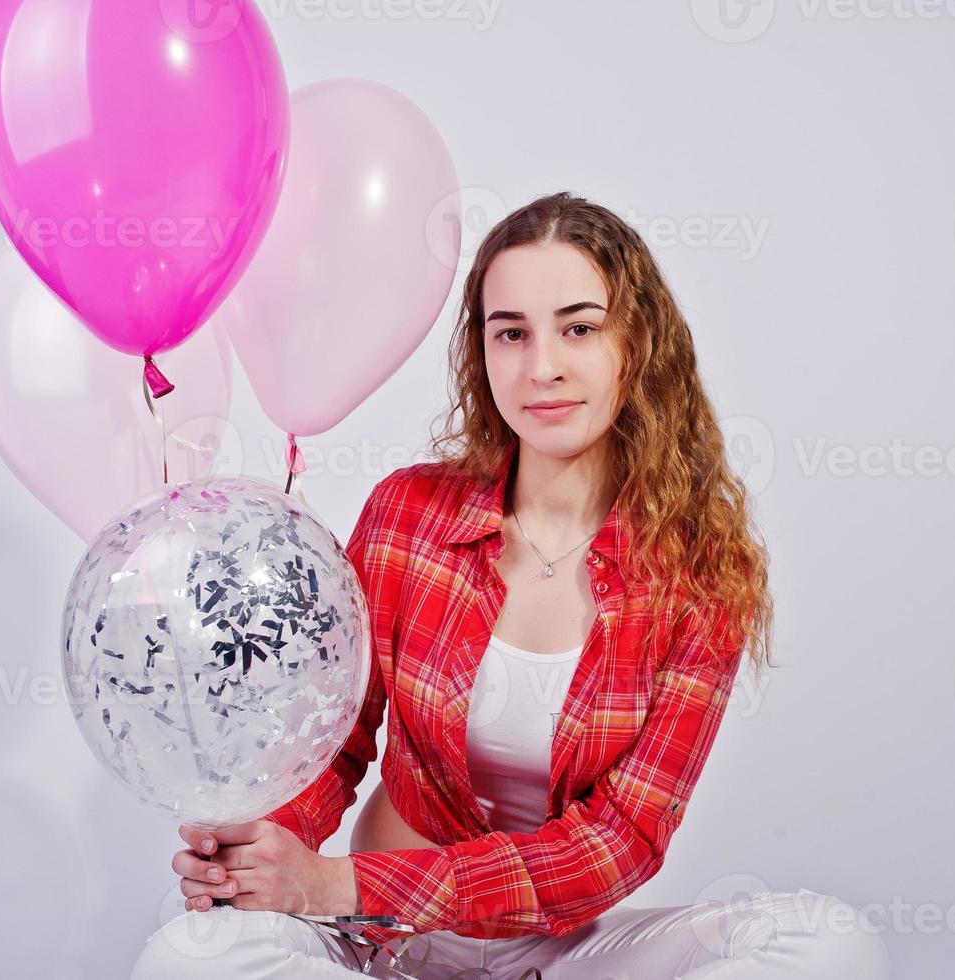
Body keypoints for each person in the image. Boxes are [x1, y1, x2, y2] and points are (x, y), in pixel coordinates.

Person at [132, 192, 890, 978]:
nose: (542, 368)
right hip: (384, 939)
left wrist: (334, 881)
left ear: (639, 346)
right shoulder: (408, 514)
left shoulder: (699, 577)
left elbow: (619, 842)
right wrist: (262, 859)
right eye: (511, 334)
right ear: (481, 352)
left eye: (579, 328)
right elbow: (336, 739)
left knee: (826, 944)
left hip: (556, 952)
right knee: (189, 956)